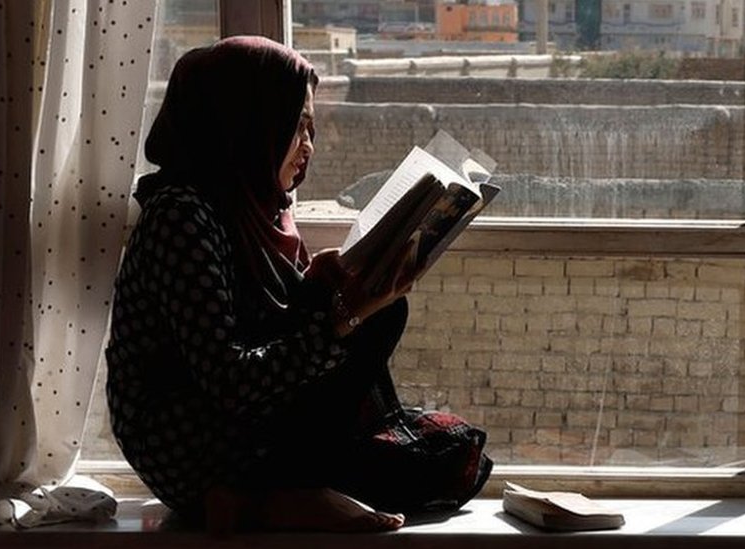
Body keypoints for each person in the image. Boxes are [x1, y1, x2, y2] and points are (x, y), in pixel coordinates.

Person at [104, 36, 492, 534]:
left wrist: (318, 284)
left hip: (261, 428)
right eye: (298, 126)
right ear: (249, 126)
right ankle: (265, 500)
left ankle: (281, 491)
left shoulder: (259, 205)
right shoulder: (181, 216)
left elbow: (270, 323)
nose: (309, 144)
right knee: (409, 441)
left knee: (450, 454)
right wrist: (344, 316)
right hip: (194, 439)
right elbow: (229, 381)